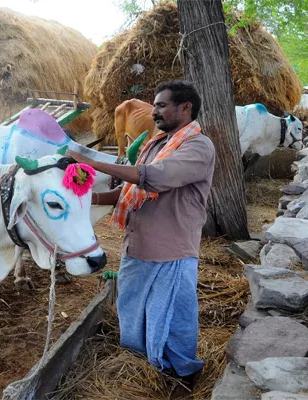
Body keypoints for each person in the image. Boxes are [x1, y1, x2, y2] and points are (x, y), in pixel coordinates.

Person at [66, 80, 216, 399]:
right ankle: (145, 363)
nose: (155, 111)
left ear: (185, 108)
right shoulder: (155, 143)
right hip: (138, 244)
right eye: (155, 105)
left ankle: (183, 374)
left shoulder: (198, 147)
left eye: (161, 105)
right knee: (132, 307)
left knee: (174, 315)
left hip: (171, 248)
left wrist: (90, 161)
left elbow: (155, 178)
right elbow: (131, 189)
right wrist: (90, 199)